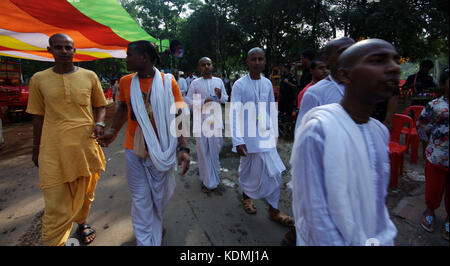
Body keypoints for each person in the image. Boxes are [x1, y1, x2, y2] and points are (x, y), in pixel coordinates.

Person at [291, 38, 400, 246]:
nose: (393, 68)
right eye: (377, 60)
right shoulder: (317, 130)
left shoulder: (378, 132)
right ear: (345, 74)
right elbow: (318, 216)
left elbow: (376, 201)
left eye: (395, 60)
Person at [98, 40, 190, 246]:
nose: (126, 58)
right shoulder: (125, 82)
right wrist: (113, 130)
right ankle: (146, 241)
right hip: (134, 148)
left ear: (144, 58)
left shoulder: (168, 82)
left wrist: (183, 147)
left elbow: (179, 114)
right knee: (140, 199)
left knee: (160, 197)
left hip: (163, 149)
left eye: (130, 54)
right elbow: (122, 108)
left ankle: (155, 223)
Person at [26, 33, 108, 246]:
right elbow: (37, 115)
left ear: (74, 50)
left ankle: (81, 223)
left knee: (86, 195)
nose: (64, 51)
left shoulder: (90, 76)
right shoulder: (38, 79)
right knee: (55, 204)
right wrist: (36, 148)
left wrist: (99, 124)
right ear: (49, 50)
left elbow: (100, 106)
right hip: (53, 150)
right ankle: (56, 242)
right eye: (59, 47)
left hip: (85, 148)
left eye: (68, 47)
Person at [230, 47, 294, 227]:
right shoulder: (239, 85)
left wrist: (274, 133)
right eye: (253, 59)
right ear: (247, 62)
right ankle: (246, 198)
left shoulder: (267, 83)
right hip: (247, 136)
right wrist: (238, 140)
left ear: (264, 61)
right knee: (248, 170)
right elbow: (234, 113)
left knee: (274, 173)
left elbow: (270, 109)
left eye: (260, 59)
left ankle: (274, 210)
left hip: (265, 135)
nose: (257, 62)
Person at [185, 57, 228, 193]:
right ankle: (206, 180)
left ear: (212, 66)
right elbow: (188, 100)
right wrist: (204, 101)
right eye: (203, 65)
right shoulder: (195, 83)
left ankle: (214, 175)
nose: (206, 67)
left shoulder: (219, 81)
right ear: (199, 67)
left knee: (215, 149)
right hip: (200, 120)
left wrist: (220, 95)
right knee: (203, 151)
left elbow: (226, 99)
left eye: (208, 64)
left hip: (215, 120)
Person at [295, 37, 355, 131]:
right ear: (327, 59)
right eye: (343, 51)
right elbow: (303, 132)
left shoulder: (364, 88)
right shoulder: (315, 93)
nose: (350, 55)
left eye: (354, 51)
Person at [416, 67, 449, 241]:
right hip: (437, 156)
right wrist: (427, 147)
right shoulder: (434, 105)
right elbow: (421, 125)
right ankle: (430, 212)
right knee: (433, 190)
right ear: (444, 83)